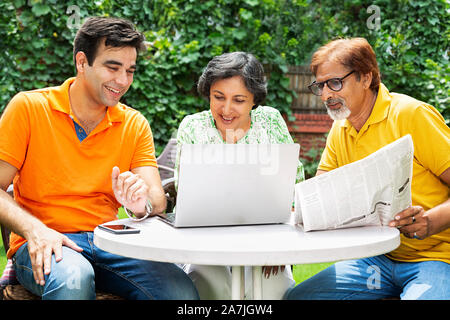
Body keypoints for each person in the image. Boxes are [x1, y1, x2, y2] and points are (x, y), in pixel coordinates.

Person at [0, 16, 198, 300]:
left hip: (110, 242)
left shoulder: (134, 124)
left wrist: (139, 203)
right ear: (82, 62)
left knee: (180, 292)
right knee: (74, 279)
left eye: (130, 70)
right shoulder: (29, 108)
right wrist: (36, 230)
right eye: (112, 67)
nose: (122, 81)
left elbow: (157, 199)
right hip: (48, 241)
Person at [285, 37, 450, 300]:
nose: (326, 95)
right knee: (299, 298)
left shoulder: (411, 114)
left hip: (436, 258)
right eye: (320, 86)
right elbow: (322, 191)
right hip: (377, 260)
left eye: (335, 83)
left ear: (366, 77)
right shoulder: (341, 127)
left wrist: (431, 221)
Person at [175, 51, 305, 299]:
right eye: (218, 97)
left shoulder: (270, 121)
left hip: (266, 243)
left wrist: (280, 247)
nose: (226, 109)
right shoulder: (192, 127)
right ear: (208, 93)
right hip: (206, 246)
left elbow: (294, 185)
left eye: (238, 100)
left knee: (273, 290)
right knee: (207, 285)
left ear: (254, 99)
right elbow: (187, 194)